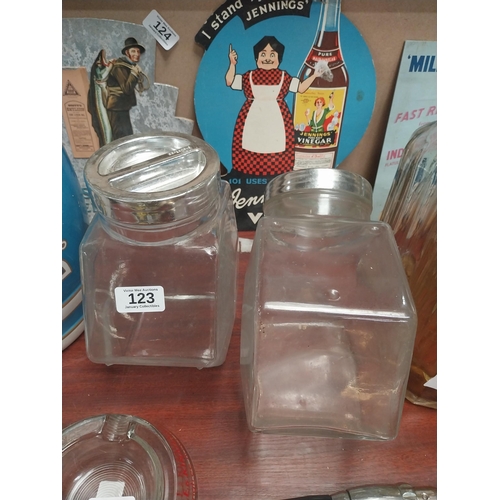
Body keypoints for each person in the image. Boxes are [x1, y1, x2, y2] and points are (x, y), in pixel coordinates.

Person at [225, 35, 323, 176]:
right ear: (257, 58)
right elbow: (230, 81)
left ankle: (277, 171)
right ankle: (249, 171)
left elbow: (301, 88)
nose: (267, 58)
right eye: (263, 54)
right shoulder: (248, 76)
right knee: (251, 142)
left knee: (276, 143)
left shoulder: (284, 76)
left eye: (272, 54)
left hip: (277, 117)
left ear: (279, 59)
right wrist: (232, 64)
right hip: (252, 116)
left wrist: (314, 75)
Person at [104, 37, 147, 142]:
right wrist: (134, 73)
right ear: (127, 53)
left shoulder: (128, 66)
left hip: (122, 107)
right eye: (133, 51)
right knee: (119, 139)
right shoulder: (119, 67)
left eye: (138, 51)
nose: (137, 54)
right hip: (116, 108)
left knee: (127, 137)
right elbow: (127, 88)